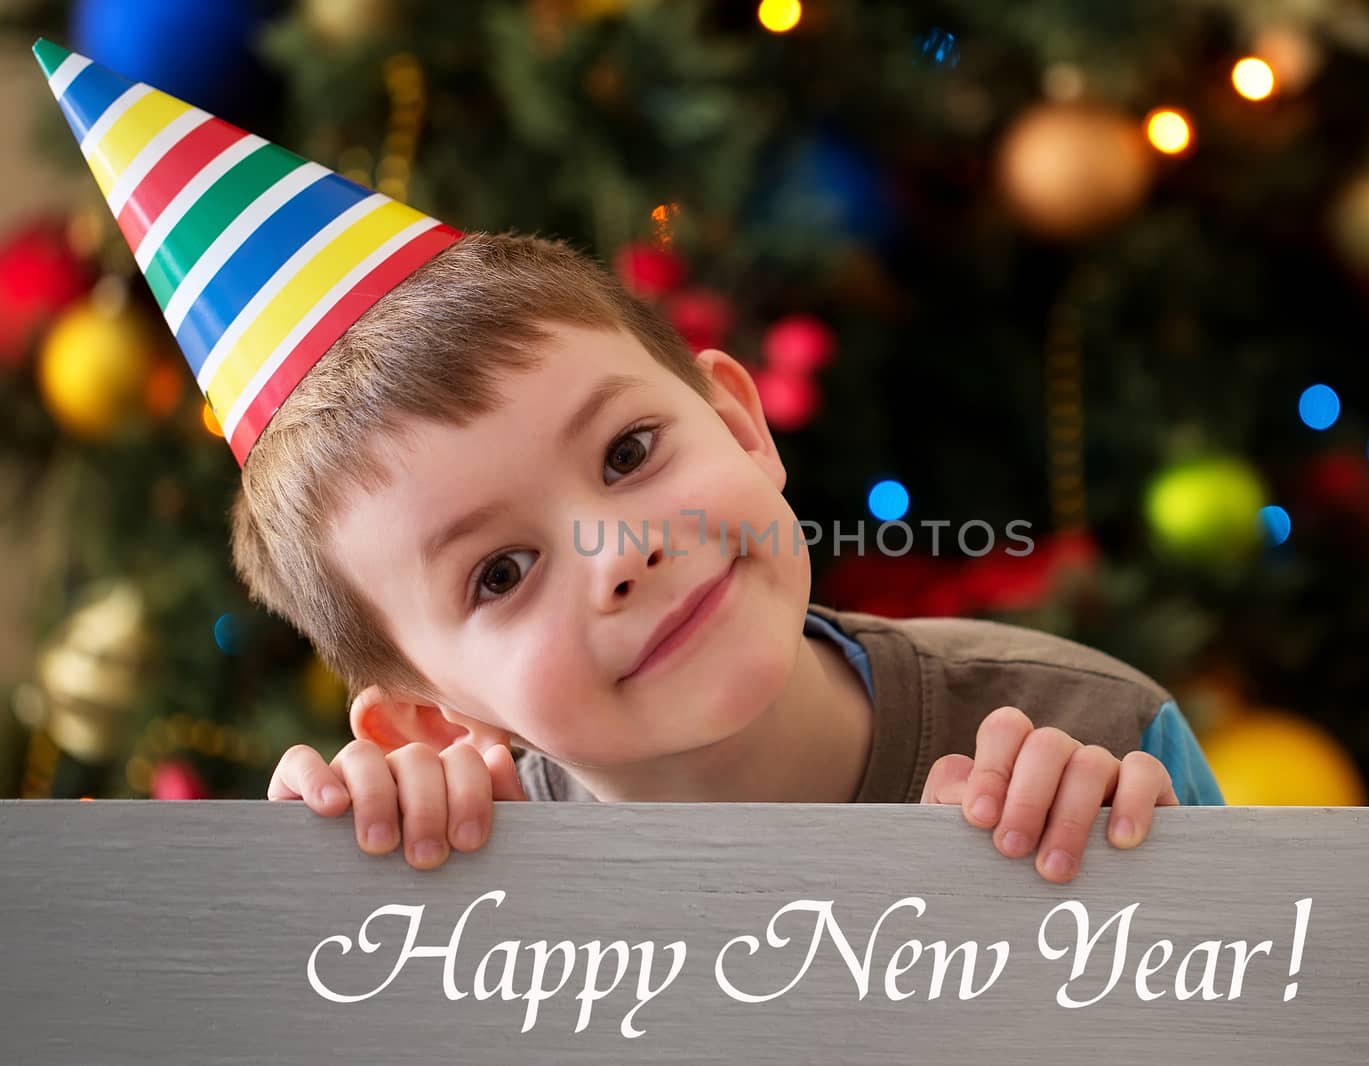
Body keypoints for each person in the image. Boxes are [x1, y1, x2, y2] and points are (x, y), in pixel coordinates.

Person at [34, 38, 1224, 890]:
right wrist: (340, 931)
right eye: (498, 572)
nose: (620, 552)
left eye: (628, 452)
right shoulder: (455, 893)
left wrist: (1156, 907)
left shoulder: (1097, 733)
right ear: (428, 724)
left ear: (743, 426)